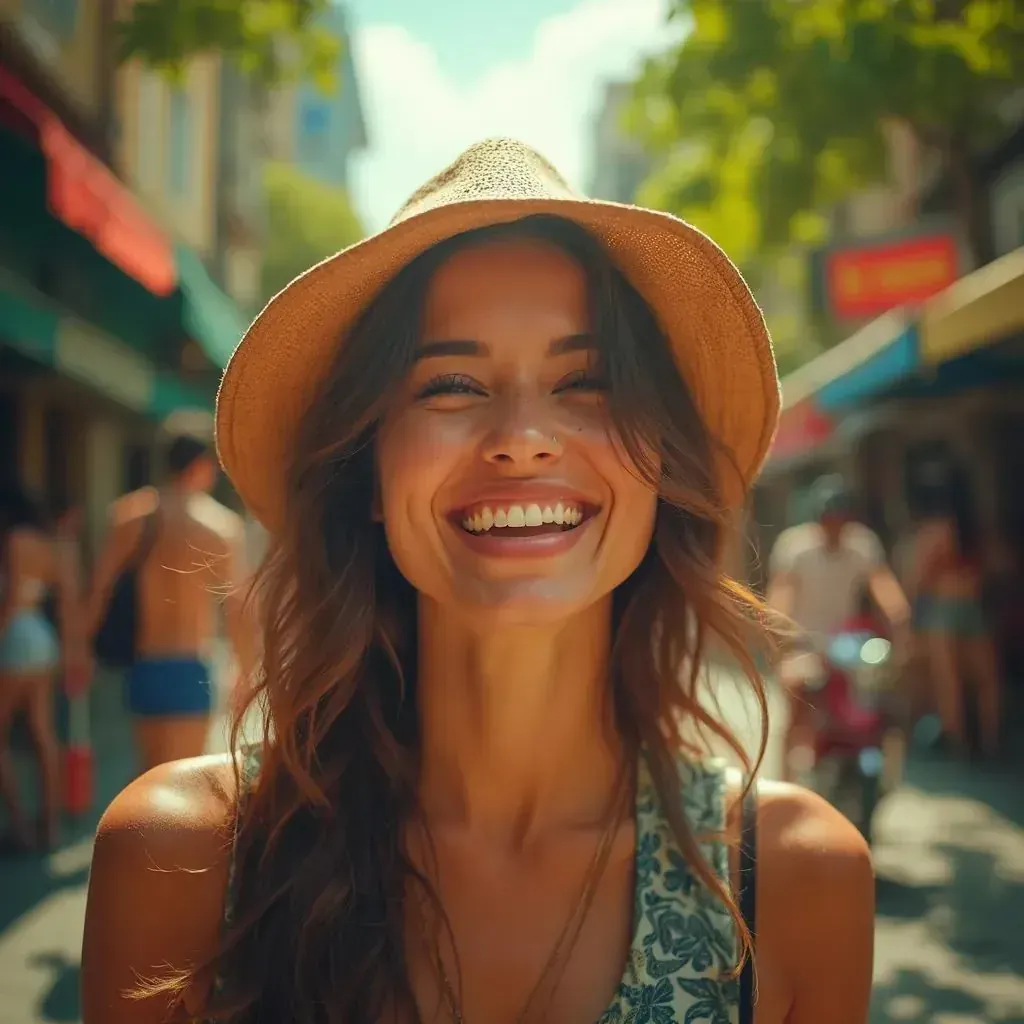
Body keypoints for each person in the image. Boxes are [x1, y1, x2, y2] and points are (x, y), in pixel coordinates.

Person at [82, 139, 873, 1024]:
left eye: (589, 382)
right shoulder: (183, 858)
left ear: (661, 473)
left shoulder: (797, 880)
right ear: (366, 475)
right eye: (451, 385)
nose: (523, 436)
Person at [84, 435, 254, 771]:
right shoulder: (220, 526)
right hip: (190, 667)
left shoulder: (130, 515)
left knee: (148, 778)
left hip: (145, 664)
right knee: (184, 782)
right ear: (202, 466)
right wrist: (246, 672)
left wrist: (79, 648)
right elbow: (238, 606)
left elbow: (99, 588)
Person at [766, 476, 910, 781]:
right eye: (829, 520)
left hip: (846, 646)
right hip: (805, 645)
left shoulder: (862, 543)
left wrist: (898, 616)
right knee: (796, 711)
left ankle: (882, 774)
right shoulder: (795, 547)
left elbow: (881, 584)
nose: (835, 526)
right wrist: (782, 635)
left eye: (841, 520)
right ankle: (785, 785)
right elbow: (782, 596)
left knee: (879, 702)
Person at [0, 482, 85, 851]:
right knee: (43, 734)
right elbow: (68, 604)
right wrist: (73, 652)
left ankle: (18, 825)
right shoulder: (54, 546)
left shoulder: (14, 539)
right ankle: (48, 827)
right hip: (42, 637)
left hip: (16, 633)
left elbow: (12, 599)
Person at [908, 470, 1000, 758]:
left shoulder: (932, 533)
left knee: (949, 681)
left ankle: (959, 742)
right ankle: (990, 738)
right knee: (986, 680)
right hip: (972, 604)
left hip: (944, 609)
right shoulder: (973, 530)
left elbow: (919, 579)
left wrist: (912, 616)